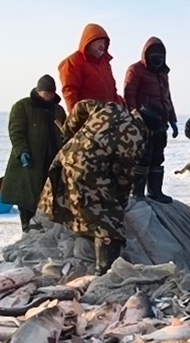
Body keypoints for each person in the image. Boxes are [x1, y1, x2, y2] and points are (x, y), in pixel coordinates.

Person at [39, 99, 147, 275]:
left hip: (66, 159)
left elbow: (80, 105)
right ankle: (105, 271)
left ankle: (88, 249)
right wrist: (120, 205)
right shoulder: (136, 138)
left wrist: (70, 130)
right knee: (109, 222)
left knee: (82, 209)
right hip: (89, 171)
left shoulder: (111, 109)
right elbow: (124, 178)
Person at [0, 75, 65, 231]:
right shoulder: (22, 106)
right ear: (38, 90)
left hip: (53, 158)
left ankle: (45, 224)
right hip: (31, 159)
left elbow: (65, 131)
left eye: (50, 93)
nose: (48, 96)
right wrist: (22, 151)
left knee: (50, 193)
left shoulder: (58, 110)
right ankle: (26, 226)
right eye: (45, 92)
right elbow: (16, 131)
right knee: (27, 195)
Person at [123, 37, 179, 203]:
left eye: (161, 54)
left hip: (160, 122)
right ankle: (137, 193)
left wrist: (173, 119)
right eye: (153, 53)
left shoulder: (163, 73)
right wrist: (134, 117)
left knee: (157, 157)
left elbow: (167, 97)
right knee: (142, 157)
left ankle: (155, 191)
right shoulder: (136, 70)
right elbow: (129, 94)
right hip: (143, 123)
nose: (157, 57)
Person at [58, 23, 121, 110]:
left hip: (109, 116)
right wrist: (76, 118)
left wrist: (121, 107)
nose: (102, 45)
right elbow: (70, 92)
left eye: (104, 42)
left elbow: (113, 92)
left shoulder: (105, 64)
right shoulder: (73, 62)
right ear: (89, 41)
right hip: (89, 118)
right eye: (99, 41)